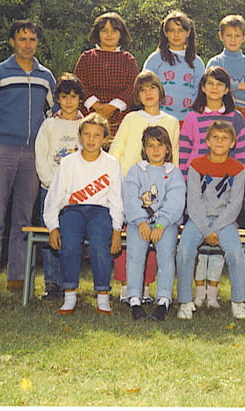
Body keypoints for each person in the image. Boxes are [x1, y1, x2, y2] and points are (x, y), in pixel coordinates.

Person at [0, 20, 56, 293]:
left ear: (37, 43)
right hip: (1, 151)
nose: (27, 44)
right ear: (12, 42)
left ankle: (17, 277)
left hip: (33, 155)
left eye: (32, 39)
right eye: (22, 39)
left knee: (24, 218)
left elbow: (57, 114)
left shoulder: (45, 77)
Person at [110, 70, 180, 304]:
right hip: (130, 187)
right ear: (137, 96)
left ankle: (147, 286)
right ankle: (127, 286)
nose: (148, 93)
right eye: (142, 90)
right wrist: (114, 181)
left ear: (160, 91)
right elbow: (116, 151)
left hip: (160, 190)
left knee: (156, 237)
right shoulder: (131, 119)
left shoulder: (171, 122)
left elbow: (174, 157)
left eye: (152, 88)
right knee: (133, 236)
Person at [43, 113, 123, 315]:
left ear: (104, 138)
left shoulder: (111, 163)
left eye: (97, 135)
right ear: (79, 136)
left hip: (100, 210)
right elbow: (55, 197)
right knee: (69, 244)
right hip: (73, 210)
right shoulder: (68, 162)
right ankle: (69, 294)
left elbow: (116, 200)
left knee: (99, 245)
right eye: (87, 134)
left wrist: (116, 230)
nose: (91, 139)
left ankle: (103, 295)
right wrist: (53, 227)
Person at [176, 121, 245, 320]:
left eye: (224, 138)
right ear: (207, 141)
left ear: (232, 143)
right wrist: (206, 230)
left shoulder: (238, 169)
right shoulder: (196, 166)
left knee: (236, 253)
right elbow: (194, 201)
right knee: (184, 250)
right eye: (215, 137)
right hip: (198, 219)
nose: (219, 141)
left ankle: (238, 301)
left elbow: (234, 204)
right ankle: (185, 301)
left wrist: (215, 228)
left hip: (225, 221)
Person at [123, 126, 185, 321]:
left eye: (160, 145)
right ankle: (135, 299)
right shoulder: (136, 170)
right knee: (135, 256)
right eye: (150, 145)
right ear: (144, 148)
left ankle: (163, 300)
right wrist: (141, 221)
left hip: (165, 224)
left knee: (166, 256)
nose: (156, 150)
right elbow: (130, 198)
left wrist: (161, 224)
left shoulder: (173, 173)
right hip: (139, 222)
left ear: (168, 148)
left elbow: (176, 201)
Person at [34, 72, 85, 299]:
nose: (69, 101)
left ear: (80, 99)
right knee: (51, 234)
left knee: (72, 237)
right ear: (57, 98)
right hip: (50, 188)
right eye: (64, 97)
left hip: (77, 192)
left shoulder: (85, 125)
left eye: (73, 96)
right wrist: (50, 182)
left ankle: (69, 283)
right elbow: (41, 156)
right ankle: (51, 283)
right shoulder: (49, 125)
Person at [73, 12, 138, 143]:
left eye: (114, 31)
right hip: (89, 115)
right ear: (97, 33)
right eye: (104, 31)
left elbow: (133, 86)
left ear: (121, 34)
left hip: (119, 117)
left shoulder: (128, 59)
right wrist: (97, 106)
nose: (109, 35)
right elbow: (79, 84)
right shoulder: (87, 57)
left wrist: (112, 107)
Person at [178, 65, 245, 177]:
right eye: (210, 83)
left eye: (219, 84)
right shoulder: (192, 117)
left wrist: (239, 178)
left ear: (226, 90)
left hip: (226, 177)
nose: (214, 88)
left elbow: (242, 152)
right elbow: (184, 152)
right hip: (197, 177)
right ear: (203, 87)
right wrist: (185, 179)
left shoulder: (236, 117)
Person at [142, 10, 206, 126]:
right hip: (159, 119)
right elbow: (145, 87)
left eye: (180, 30)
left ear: (188, 32)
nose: (176, 35)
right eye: (171, 30)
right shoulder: (155, 59)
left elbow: (201, 92)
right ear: (165, 33)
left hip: (187, 120)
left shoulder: (197, 62)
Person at [206, 14, 245, 121]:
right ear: (221, 36)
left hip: (242, 113)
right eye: (228, 35)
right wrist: (240, 86)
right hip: (217, 111)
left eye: (237, 36)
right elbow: (209, 90)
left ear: (244, 37)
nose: (233, 40)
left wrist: (223, 89)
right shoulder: (215, 62)